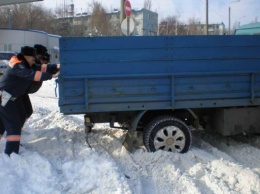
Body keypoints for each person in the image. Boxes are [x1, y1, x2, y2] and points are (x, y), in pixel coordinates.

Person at [0, 46, 60, 155]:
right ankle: (11, 153)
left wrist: (56, 66)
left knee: (19, 116)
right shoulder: (17, 65)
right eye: (33, 59)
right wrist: (51, 76)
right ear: (26, 57)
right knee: (14, 124)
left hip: (11, 96)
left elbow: (40, 67)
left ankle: (12, 149)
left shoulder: (26, 64)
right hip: (4, 96)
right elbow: (32, 74)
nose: (34, 62)